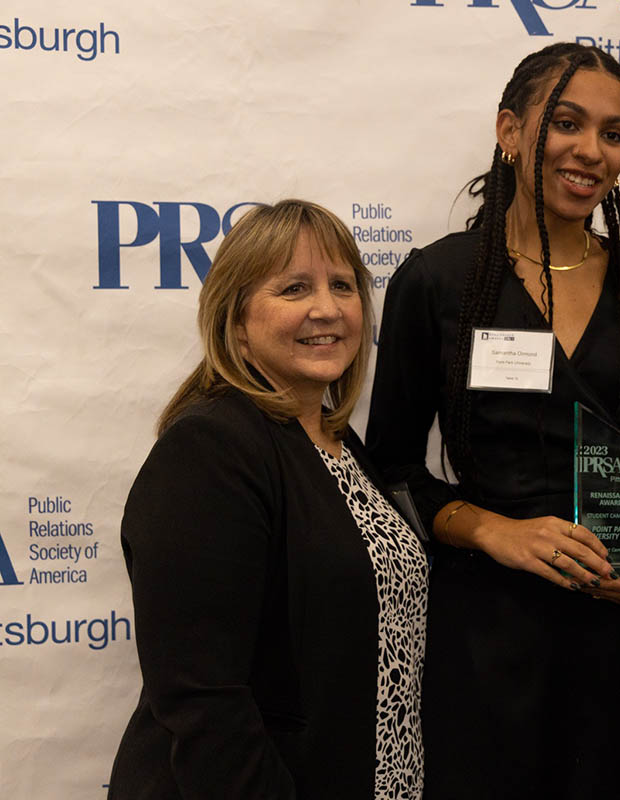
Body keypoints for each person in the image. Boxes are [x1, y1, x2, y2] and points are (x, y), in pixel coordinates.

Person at [367, 42, 620, 800]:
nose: (592, 151)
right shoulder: (439, 280)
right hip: (491, 644)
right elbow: (391, 470)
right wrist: (492, 530)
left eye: (613, 134)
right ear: (511, 131)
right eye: (567, 123)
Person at [107, 200, 429, 799]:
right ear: (236, 322)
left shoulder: (337, 440)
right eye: (294, 288)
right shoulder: (211, 449)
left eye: (342, 285)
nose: (327, 308)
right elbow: (204, 701)